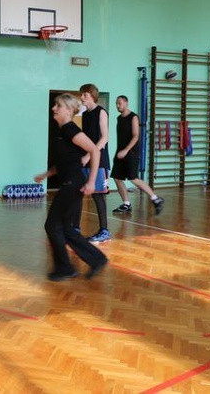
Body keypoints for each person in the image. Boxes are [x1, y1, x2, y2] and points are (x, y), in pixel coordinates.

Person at [34, 93, 108, 281]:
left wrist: (92, 181)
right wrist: (46, 174)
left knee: (52, 225)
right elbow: (66, 161)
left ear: (68, 110)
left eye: (58, 106)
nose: (54, 109)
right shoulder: (62, 131)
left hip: (73, 184)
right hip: (71, 182)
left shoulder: (70, 129)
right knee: (65, 228)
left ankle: (66, 268)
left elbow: (94, 150)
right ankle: (96, 259)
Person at [111, 95, 164, 215]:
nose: (117, 106)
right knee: (117, 178)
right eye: (116, 103)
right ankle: (126, 204)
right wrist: (120, 151)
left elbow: (136, 136)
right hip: (120, 153)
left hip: (131, 153)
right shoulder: (119, 118)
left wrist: (126, 150)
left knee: (133, 178)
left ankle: (156, 199)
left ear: (126, 103)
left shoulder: (133, 117)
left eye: (119, 103)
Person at [78, 83, 111, 243]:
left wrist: (89, 155)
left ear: (92, 95)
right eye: (81, 94)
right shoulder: (85, 115)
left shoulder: (101, 112)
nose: (82, 97)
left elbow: (104, 138)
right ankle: (75, 227)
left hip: (100, 161)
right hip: (86, 159)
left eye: (84, 94)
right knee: (79, 192)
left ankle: (104, 231)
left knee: (98, 196)